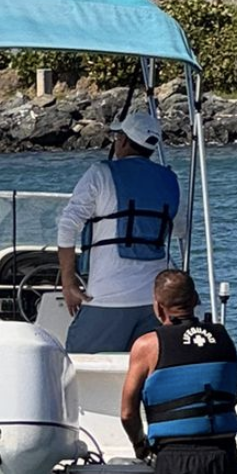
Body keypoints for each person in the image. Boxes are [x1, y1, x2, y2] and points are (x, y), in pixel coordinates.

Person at [120, 269, 237, 474]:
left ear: (157, 306)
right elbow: (230, 394)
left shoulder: (148, 345)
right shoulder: (224, 338)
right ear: (196, 299)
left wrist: (140, 447)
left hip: (176, 460)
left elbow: (127, 412)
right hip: (222, 456)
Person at [56, 110, 184, 352]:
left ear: (123, 141)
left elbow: (67, 225)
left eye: (117, 137)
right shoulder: (170, 180)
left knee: (76, 362)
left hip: (107, 297)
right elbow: (181, 229)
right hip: (154, 302)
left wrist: (68, 281)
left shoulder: (100, 173)